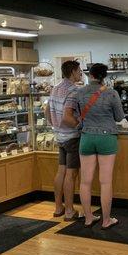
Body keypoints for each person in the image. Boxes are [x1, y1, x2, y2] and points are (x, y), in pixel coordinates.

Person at [63, 63, 124, 229]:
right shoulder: (111, 93)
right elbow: (119, 117)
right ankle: (106, 220)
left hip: (86, 137)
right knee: (105, 182)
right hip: (107, 138)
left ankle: (89, 218)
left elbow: (75, 114)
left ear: (90, 74)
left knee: (85, 182)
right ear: (104, 76)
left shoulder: (79, 92)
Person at [46, 60, 83, 221]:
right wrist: (79, 126)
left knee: (61, 171)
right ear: (73, 72)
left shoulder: (55, 88)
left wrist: (55, 126)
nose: (81, 73)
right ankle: (69, 211)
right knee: (71, 174)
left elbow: (47, 111)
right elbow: (68, 118)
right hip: (72, 137)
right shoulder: (73, 91)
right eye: (79, 70)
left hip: (59, 137)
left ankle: (58, 208)